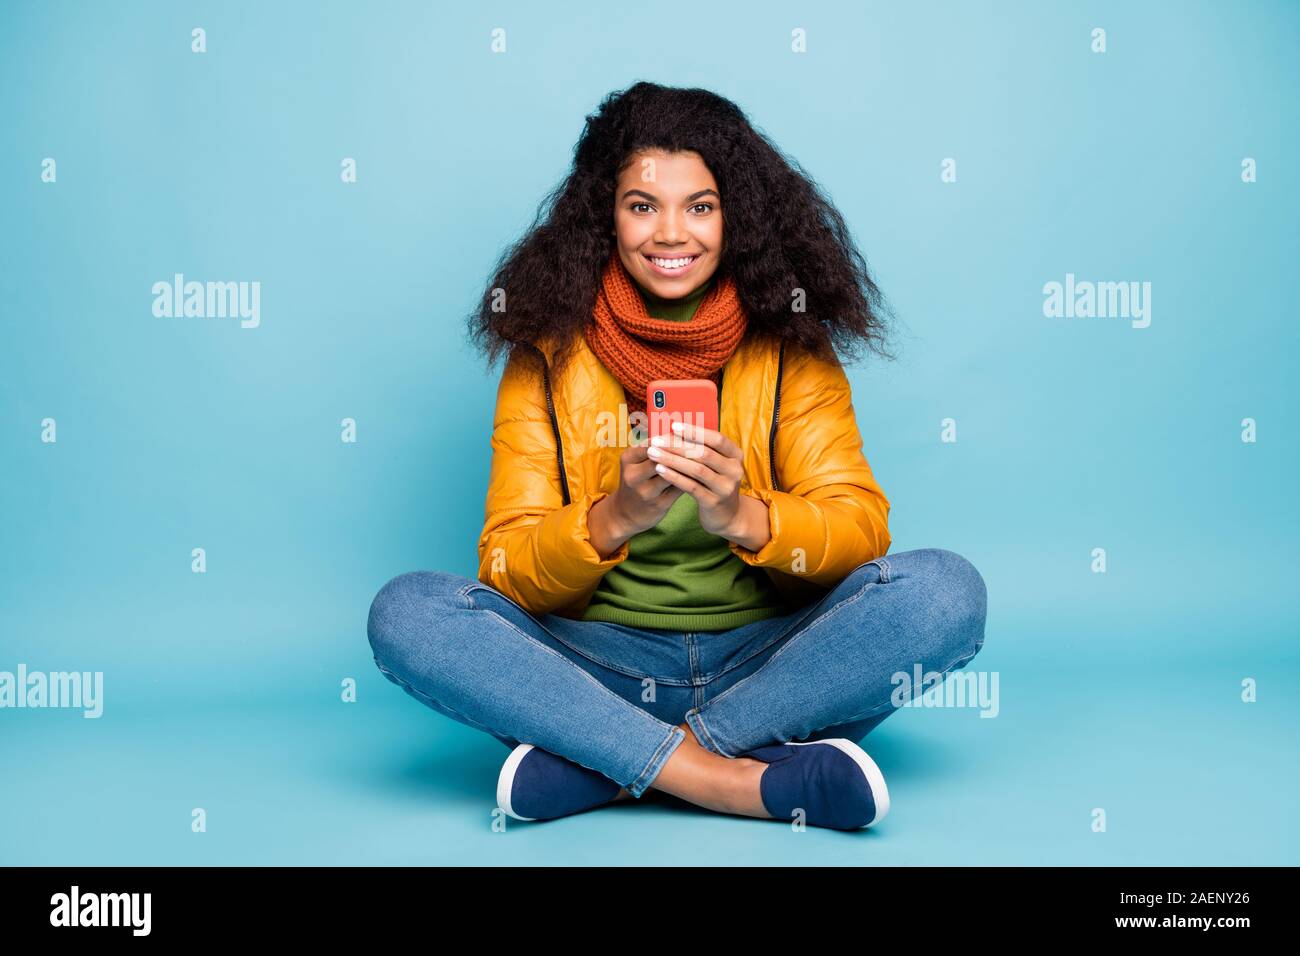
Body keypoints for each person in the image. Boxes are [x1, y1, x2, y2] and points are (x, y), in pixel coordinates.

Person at [367, 82, 987, 831]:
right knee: (407, 611)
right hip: (594, 667)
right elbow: (505, 567)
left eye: (700, 206)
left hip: (768, 664)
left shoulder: (789, 338)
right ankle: (732, 777)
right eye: (641, 205)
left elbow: (859, 531)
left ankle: (612, 764)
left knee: (947, 592)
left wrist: (747, 517)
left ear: (736, 217)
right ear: (606, 215)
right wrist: (611, 519)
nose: (671, 234)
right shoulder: (545, 347)